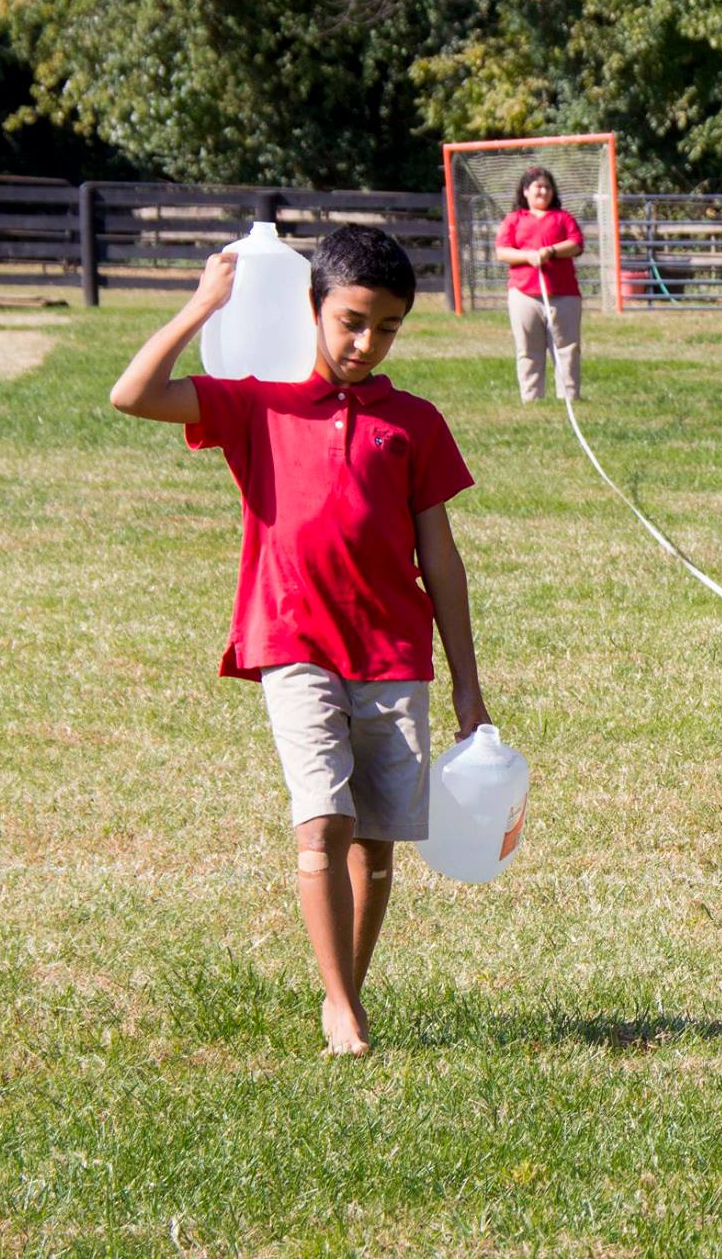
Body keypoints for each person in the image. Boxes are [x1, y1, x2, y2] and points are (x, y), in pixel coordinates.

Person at [108, 224, 490, 1057]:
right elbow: (132, 393)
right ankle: (341, 1008)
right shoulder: (256, 402)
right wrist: (203, 304)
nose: (365, 341)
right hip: (293, 641)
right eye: (351, 319)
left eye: (386, 327)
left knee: (379, 844)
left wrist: (467, 682)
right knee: (323, 822)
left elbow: (443, 560)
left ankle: (346, 990)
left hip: (393, 653)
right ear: (312, 305)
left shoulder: (414, 423)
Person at [496, 167, 586, 402]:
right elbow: (503, 251)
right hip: (524, 294)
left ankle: (569, 395)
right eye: (538, 186)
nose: (543, 191)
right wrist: (528, 256)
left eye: (547, 187)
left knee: (567, 348)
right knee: (528, 349)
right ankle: (532, 397)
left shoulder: (563, 218)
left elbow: (576, 244)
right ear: (526, 191)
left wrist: (551, 251)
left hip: (564, 294)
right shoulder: (514, 220)